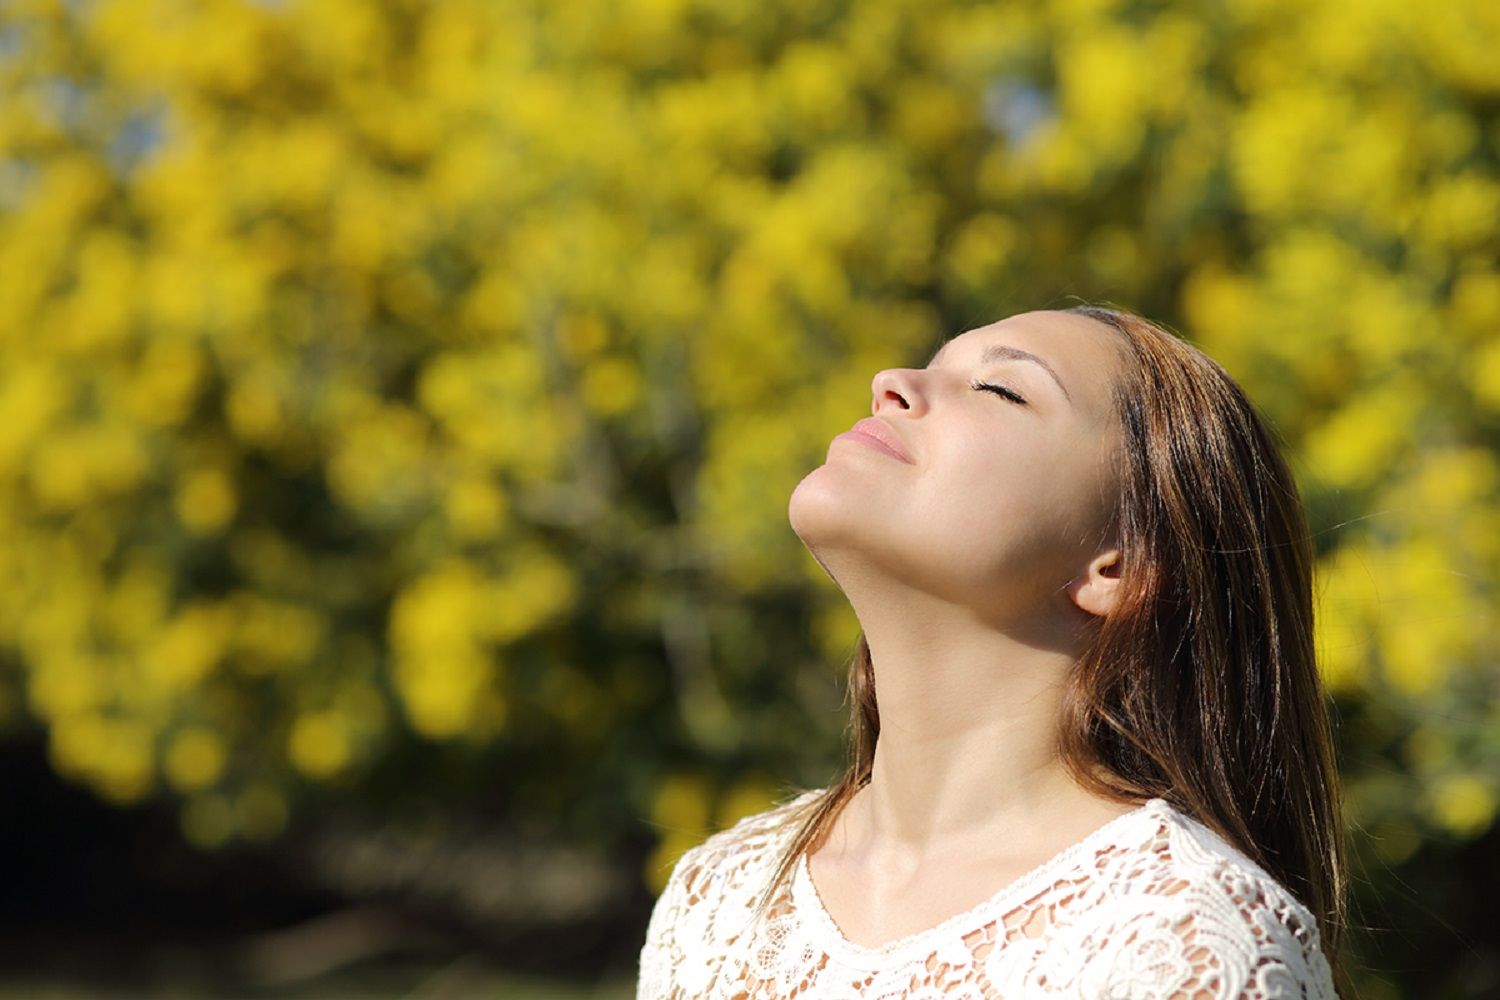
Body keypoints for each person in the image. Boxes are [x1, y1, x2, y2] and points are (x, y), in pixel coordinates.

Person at [636, 305, 1352, 998]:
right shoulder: (719, 899)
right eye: (931, 364)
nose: (892, 381)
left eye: (999, 388)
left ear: (1120, 566)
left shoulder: (1186, 938)